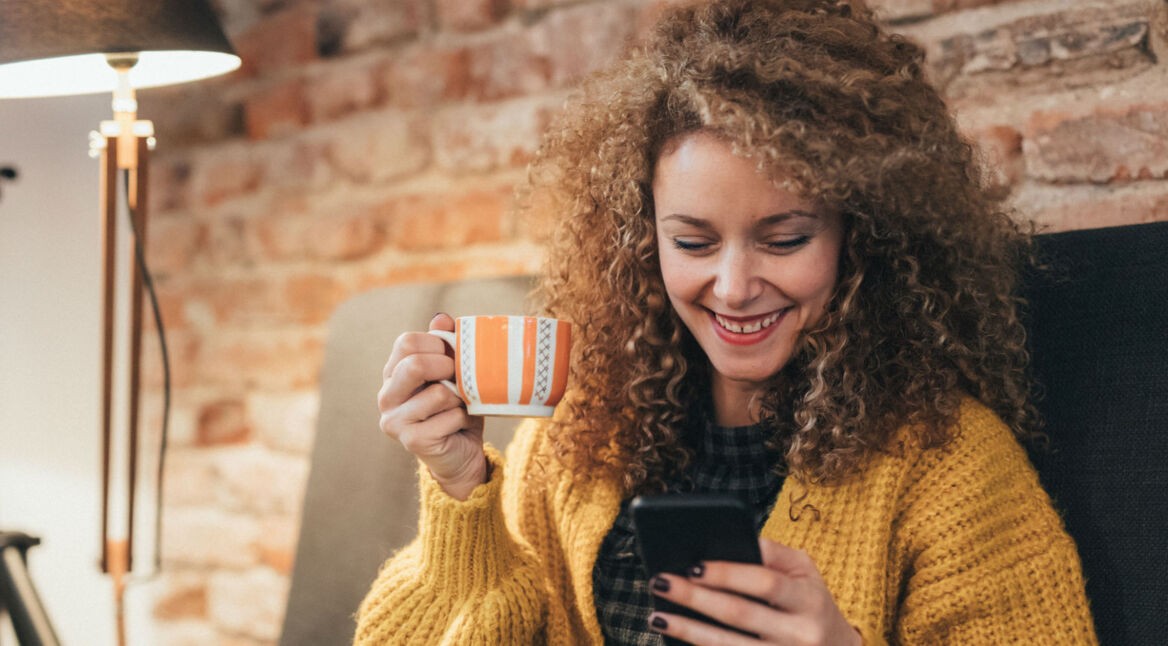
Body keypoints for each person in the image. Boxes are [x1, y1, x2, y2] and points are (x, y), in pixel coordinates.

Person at [356, 0, 1098, 643]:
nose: (735, 287)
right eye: (693, 242)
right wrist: (461, 489)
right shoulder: (581, 434)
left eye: (785, 239)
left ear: (861, 233)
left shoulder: (949, 465)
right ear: (644, 239)